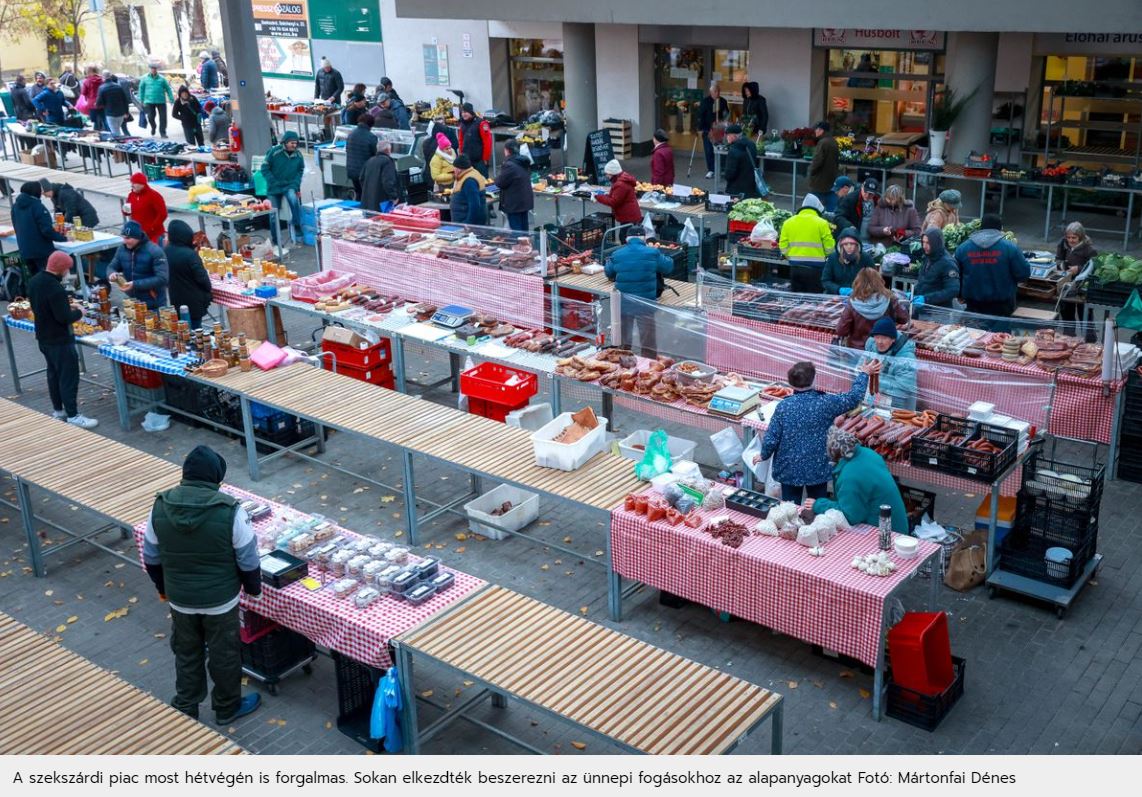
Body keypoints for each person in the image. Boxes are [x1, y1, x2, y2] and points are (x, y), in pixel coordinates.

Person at [142, 445, 263, 725]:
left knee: (186, 651)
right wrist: (253, 589)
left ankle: (186, 704)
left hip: (180, 598)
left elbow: (151, 556)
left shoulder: (160, 505)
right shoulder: (230, 511)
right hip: (220, 601)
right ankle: (226, 707)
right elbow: (248, 559)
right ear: (216, 478)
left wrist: (163, 588)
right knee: (224, 654)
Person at [759, 360, 874, 503]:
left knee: (790, 507)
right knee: (817, 505)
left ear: (791, 383)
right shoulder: (825, 403)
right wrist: (864, 374)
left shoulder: (783, 406)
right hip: (817, 466)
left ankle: (792, 524)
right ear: (814, 380)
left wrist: (763, 454)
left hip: (789, 467)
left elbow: (772, 436)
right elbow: (854, 398)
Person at [27, 251, 99, 429]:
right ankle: (73, 415)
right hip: (60, 339)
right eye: (67, 268)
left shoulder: (35, 281)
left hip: (43, 337)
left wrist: (67, 304)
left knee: (53, 375)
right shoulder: (55, 287)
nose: (68, 272)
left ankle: (58, 411)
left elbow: (45, 306)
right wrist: (79, 312)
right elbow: (64, 317)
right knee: (68, 377)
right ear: (60, 268)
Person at [806, 426, 909, 533]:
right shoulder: (868, 453)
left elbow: (851, 516)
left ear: (836, 456)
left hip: (884, 532)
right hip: (896, 524)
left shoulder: (850, 477)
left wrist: (818, 505)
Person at [604, 235, 673, 358]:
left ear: (627, 239)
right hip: (645, 304)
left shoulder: (617, 253)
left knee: (624, 337)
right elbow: (668, 267)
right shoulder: (652, 252)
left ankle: (623, 362)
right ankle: (648, 365)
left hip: (624, 303)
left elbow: (608, 272)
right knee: (648, 339)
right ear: (644, 239)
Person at [954, 213, 1030, 318]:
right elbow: (1023, 274)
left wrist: (959, 294)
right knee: (1000, 335)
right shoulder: (1010, 248)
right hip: (1002, 306)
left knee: (975, 334)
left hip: (973, 306)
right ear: (1000, 229)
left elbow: (955, 276)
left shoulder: (963, 248)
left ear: (981, 227)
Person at [836, 267, 909, 349]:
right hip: (883, 350)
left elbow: (841, 330)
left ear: (857, 283)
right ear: (879, 281)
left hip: (857, 351)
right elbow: (904, 319)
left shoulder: (853, 302)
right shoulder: (890, 299)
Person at [107, 220, 169, 310]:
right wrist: (111, 274)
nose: (124, 241)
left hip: (154, 303)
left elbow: (162, 278)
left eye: (128, 238)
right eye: (123, 237)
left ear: (137, 237)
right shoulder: (122, 249)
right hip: (134, 302)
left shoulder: (155, 251)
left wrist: (135, 284)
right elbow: (111, 267)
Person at [779, 194, 835, 293]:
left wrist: (791, 256)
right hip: (815, 270)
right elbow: (830, 248)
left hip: (795, 268)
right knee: (813, 302)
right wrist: (822, 255)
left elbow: (783, 246)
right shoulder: (822, 223)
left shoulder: (788, 222)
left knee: (796, 301)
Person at [164, 220, 213, 330]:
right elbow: (203, 280)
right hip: (194, 303)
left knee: (183, 330)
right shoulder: (190, 255)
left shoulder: (166, 251)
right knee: (196, 331)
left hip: (176, 300)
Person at [260, 131, 306, 247]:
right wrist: (272, 181)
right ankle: (276, 239)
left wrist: (295, 185)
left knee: (294, 200)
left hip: (289, 185)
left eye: (295, 143)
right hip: (274, 187)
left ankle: (297, 226)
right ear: (285, 142)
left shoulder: (298, 155)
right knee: (273, 213)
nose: (294, 145)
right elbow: (264, 168)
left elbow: (300, 171)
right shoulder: (274, 152)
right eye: (291, 143)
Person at [12, 182, 67, 276]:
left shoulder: (15, 206)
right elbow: (47, 230)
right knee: (47, 277)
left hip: (25, 250)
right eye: (40, 189)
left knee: (35, 277)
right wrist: (64, 238)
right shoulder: (38, 207)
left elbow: (15, 225)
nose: (42, 192)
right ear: (35, 191)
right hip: (41, 251)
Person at [864, 317, 917, 410]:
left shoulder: (906, 357)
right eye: (877, 337)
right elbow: (859, 369)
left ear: (893, 339)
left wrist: (876, 386)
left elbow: (903, 389)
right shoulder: (871, 346)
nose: (880, 341)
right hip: (873, 398)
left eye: (884, 338)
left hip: (897, 404)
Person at [1056, 221, 1099, 327]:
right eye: (1068, 237)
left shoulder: (1090, 250)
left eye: (1074, 237)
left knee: (1084, 313)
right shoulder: (1062, 243)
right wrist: (1063, 266)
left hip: (1083, 285)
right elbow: (1058, 259)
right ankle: (1069, 336)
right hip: (1067, 282)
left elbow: (1094, 268)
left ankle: (1089, 338)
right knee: (1066, 310)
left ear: (1080, 237)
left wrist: (1079, 269)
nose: (1071, 240)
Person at [912, 228, 961, 309]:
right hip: (923, 310)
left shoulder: (948, 263)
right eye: (923, 242)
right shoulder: (928, 257)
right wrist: (913, 292)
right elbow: (925, 282)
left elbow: (953, 290)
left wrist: (926, 299)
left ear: (936, 243)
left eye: (928, 243)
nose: (924, 246)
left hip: (939, 313)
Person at [494, 140, 535, 232]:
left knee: (516, 232)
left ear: (507, 150)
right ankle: (526, 245)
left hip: (514, 203)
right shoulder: (523, 162)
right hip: (524, 200)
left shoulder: (509, 165)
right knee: (524, 228)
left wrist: (495, 179)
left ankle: (520, 246)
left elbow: (500, 182)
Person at [821, 227, 873, 295]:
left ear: (857, 245)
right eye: (845, 244)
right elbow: (825, 280)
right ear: (841, 246)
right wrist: (838, 289)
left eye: (852, 244)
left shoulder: (866, 257)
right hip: (835, 296)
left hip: (860, 296)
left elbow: (873, 280)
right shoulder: (833, 258)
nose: (849, 247)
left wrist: (860, 291)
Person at [594, 159, 641, 228]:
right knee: (624, 235)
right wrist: (604, 196)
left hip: (628, 216)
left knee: (624, 236)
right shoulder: (622, 180)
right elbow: (616, 197)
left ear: (612, 173)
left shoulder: (620, 184)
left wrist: (598, 196)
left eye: (607, 173)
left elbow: (613, 202)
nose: (606, 175)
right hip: (629, 215)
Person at [126, 172, 168, 246]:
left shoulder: (154, 196)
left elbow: (163, 214)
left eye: (134, 183)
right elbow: (128, 212)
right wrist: (125, 211)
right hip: (138, 235)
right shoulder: (131, 195)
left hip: (154, 235)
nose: (131, 185)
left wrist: (151, 228)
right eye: (131, 182)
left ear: (142, 184)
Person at [359, 141, 401, 212]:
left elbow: (361, 178)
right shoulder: (387, 161)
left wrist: (368, 191)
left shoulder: (369, 161)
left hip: (367, 202)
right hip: (382, 204)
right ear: (388, 150)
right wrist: (394, 196)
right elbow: (388, 182)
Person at [697, 84, 729, 179]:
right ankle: (711, 170)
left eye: (718, 91)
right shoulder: (705, 101)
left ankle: (721, 169)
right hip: (707, 128)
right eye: (715, 91)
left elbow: (726, 114)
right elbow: (700, 115)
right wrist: (699, 129)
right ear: (711, 92)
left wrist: (725, 121)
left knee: (721, 148)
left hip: (719, 129)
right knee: (709, 149)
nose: (717, 93)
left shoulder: (723, 101)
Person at [807, 121, 839, 210]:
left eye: (817, 129)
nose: (815, 131)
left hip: (819, 180)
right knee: (831, 203)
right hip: (830, 178)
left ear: (821, 130)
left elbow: (817, 161)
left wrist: (811, 171)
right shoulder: (833, 141)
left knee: (813, 205)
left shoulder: (823, 143)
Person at [835, 178, 879, 243]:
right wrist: (850, 226)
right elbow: (838, 217)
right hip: (854, 240)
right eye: (865, 192)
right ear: (862, 187)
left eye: (870, 194)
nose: (867, 195)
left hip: (872, 240)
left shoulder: (877, 200)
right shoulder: (850, 199)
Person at [345, 115, 378, 199]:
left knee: (359, 192)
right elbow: (375, 154)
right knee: (368, 195)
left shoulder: (351, 134)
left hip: (352, 171)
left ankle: (359, 209)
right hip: (364, 172)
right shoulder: (371, 137)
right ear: (371, 125)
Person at [723, 124, 760, 198]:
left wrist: (726, 176)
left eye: (728, 135)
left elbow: (729, 174)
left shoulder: (734, 150)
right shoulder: (751, 145)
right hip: (750, 187)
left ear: (734, 136)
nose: (726, 138)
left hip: (735, 189)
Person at [449, 155, 488, 226]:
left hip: (467, 223)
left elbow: (475, 205)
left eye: (454, 167)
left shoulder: (469, 181)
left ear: (459, 169)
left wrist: (468, 224)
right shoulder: (471, 173)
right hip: (466, 220)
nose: (453, 170)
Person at [138, 62, 174, 137]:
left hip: (161, 101)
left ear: (156, 69)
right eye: (152, 68)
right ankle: (153, 127)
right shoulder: (144, 78)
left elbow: (168, 89)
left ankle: (163, 132)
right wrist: (140, 100)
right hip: (149, 101)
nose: (153, 70)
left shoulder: (162, 78)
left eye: (155, 68)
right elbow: (141, 89)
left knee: (163, 117)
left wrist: (171, 99)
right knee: (150, 117)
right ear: (150, 69)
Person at [457, 103, 492, 176]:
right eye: (462, 112)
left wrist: (485, 159)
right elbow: (461, 141)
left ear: (471, 112)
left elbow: (487, 142)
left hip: (479, 161)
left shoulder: (481, 123)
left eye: (465, 112)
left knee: (484, 183)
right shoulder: (462, 124)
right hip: (467, 161)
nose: (463, 114)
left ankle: (490, 187)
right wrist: (461, 154)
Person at [80, 66, 104, 133]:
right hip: (102, 102)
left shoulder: (87, 81)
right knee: (104, 119)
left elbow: (83, 92)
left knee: (95, 120)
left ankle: (96, 134)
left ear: (88, 72)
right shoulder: (102, 80)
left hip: (91, 104)